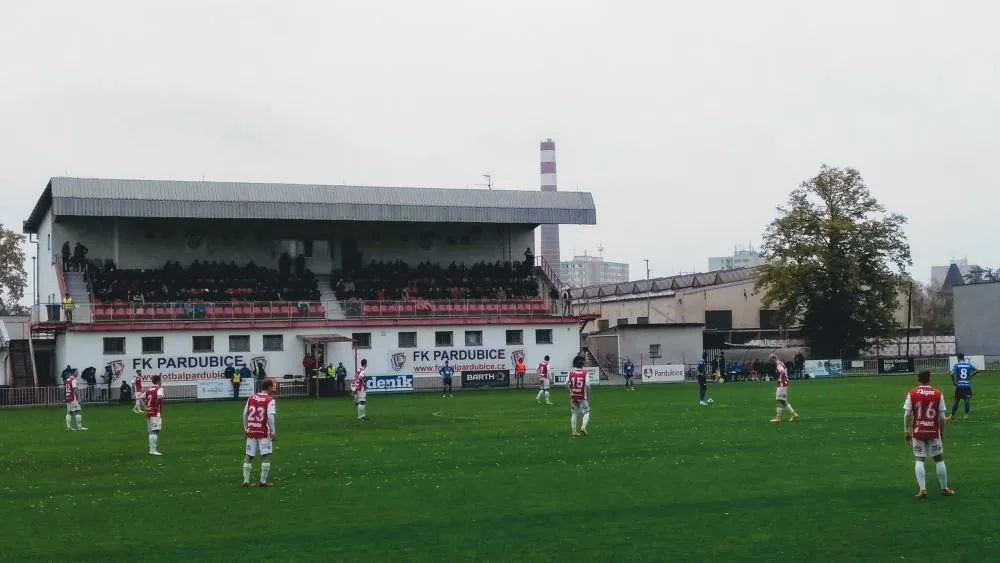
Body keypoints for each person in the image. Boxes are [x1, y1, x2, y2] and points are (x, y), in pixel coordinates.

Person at [904, 370, 955, 498]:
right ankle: (944, 488)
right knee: (938, 459)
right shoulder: (938, 394)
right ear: (930, 379)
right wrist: (941, 433)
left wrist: (906, 430)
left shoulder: (912, 393)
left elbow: (907, 414)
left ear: (918, 379)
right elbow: (942, 417)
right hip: (933, 431)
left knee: (920, 459)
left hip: (918, 431)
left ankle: (923, 489)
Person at [242, 378, 277, 488]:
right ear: (269, 387)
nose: (274, 387)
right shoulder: (270, 400)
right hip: (263, 431)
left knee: (249, 455)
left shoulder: (251, 397)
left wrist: (246, 428)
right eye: (274, 385)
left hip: (251, 430)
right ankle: (262, 482)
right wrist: (273, 431)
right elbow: (270, 417)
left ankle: (246, 481)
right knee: (266, 455)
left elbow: (244, 414)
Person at [769, 354, 798, 422]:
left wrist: (779, 379)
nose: (770, 362)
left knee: (779, 400)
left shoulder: (779, 364)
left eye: (770, 360)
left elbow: (782, 371)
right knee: (782, 400)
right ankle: (794, 414)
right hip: (783, 383)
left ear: (773, 359)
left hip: (782, 384)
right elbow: (785, 371)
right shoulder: (781, 363)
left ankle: (778, 417)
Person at [948, 353, 977, 421]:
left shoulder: (956, 365)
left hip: (959, 386)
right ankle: (966, 415)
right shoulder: (968, 365)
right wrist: (970, 376)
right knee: (967, 401)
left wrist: (954, 382)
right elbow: (977, 370)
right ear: (963, 358)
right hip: (967, 386)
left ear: (958, 358)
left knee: (956, 401)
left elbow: (952, 373)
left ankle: (952, 415)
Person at [567, 355, 591, 437]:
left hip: (574, 396)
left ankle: (574, 431)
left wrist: (571, 391)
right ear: (582, 365)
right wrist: (587, 396)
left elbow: (567, 383)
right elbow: (587, 385)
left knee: (574, 413)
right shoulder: (585, 373)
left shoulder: (571, 373)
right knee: (587, 412)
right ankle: (583, 427)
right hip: (582, 396)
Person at [141, 374, 165, 456]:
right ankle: (152, 450)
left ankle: (152, 449)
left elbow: (140, 398)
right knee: (155, 431)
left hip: (149, 412)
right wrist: (155, 406)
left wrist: (145, 407)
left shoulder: (149, 390)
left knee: (152, 431)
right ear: (158, 381)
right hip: (155, 412)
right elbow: (159, 397)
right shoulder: (159, 389)